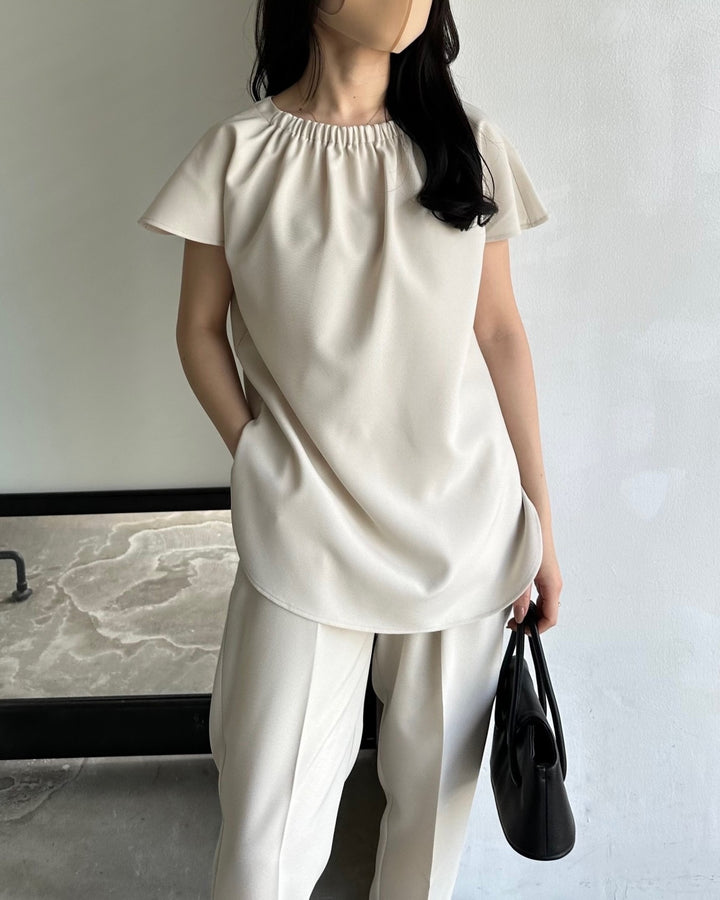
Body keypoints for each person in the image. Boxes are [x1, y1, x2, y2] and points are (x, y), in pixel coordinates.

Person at [137, 1, 563, 896]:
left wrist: (541, 527)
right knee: (263, 843)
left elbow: (500, 334)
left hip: (465, 531)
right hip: (304, 531)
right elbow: (198, 330)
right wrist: (256, 454)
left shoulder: (470, 144)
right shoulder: (239, 154)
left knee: (430, 833)